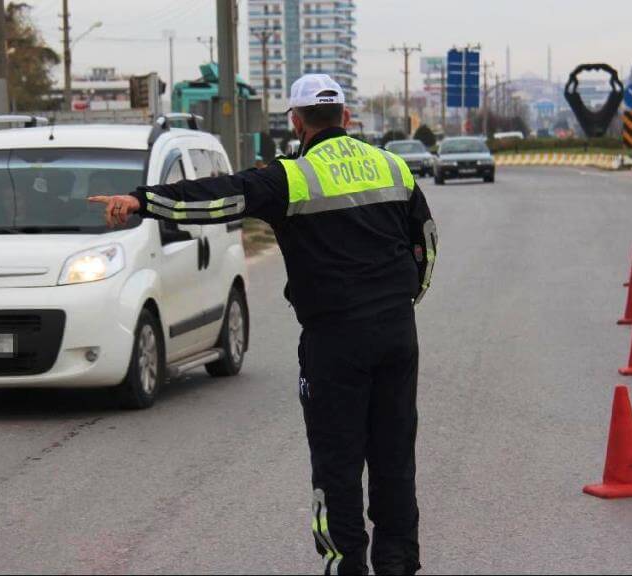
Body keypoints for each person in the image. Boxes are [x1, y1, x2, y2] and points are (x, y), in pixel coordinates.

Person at [89, 74, 438, 575]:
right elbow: (425, 242)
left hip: (335, 341)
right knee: (394, 458)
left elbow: (215, 198)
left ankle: (346, 567)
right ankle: (398, 565)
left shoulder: (292, 177)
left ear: (296, 121)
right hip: (396, 332)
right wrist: (406, 300)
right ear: (345, 117)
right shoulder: (395, 168)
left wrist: (143, 201)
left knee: (337, 466)